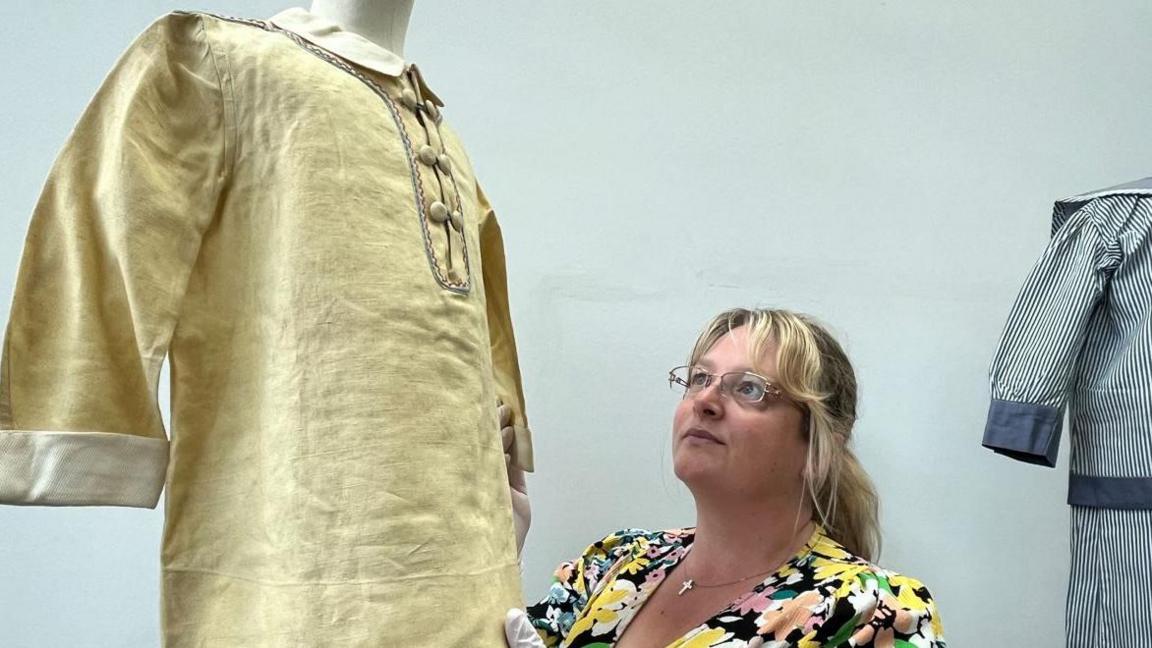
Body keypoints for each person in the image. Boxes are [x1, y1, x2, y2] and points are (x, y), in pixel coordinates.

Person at [503, 308, 945, 647]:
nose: (706, 400)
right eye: (698, 378)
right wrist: (492, 556)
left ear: (819, 446)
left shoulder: (870, 612)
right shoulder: (614, 563)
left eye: (749, 388)